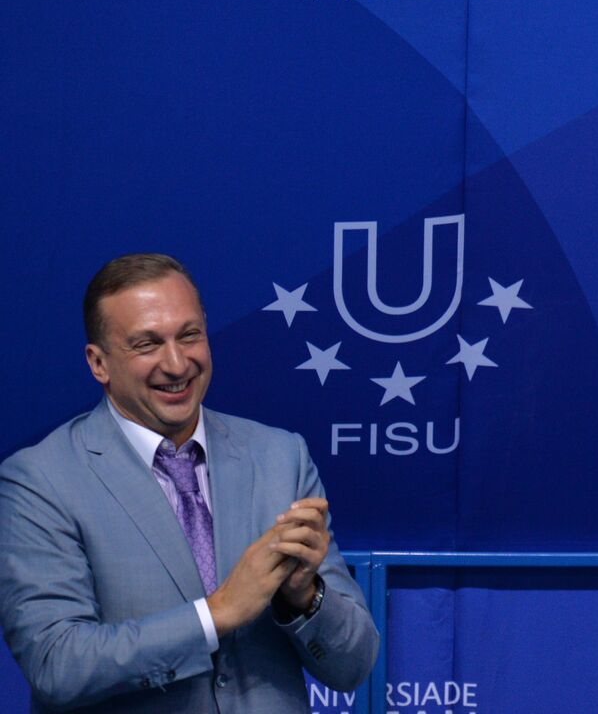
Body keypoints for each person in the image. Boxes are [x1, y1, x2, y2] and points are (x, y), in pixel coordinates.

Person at [0, 253, 379, 712]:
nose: (177, 364)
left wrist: (304, 597)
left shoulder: (281, 456)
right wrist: (216, 614)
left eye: (189, 335)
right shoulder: (39, 480)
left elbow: (353, 666)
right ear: (98, 363)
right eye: (147, 344)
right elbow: (56, 664)